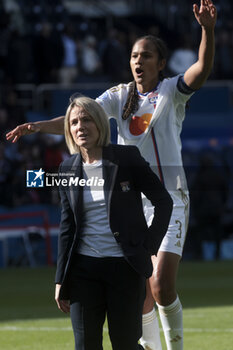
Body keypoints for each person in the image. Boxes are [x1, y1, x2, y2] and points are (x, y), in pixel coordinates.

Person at [6, 1, 217, 349]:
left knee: (161, 285)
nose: (138, 60)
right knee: (144, 292)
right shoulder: (119, 96)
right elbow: (80, 117)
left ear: (160, 63)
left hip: (170, 197)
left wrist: (207, 30)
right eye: (135, 55)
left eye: (147, 55)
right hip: (131, 202)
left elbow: (201, 69)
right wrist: (37, 127)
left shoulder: (171, 93)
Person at [55, 95, 173, 350]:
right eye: (74, 122)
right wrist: (60, 280)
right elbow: (67, 227)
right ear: (69, 130)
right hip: (83, 271)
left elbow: (163, 201)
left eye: (86, 119)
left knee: (125, 344)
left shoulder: (126, 157)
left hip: (125, 268)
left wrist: (149, 246)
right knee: (85, 345)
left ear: (99, 123)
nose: (80, 127)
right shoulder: (65, 169)